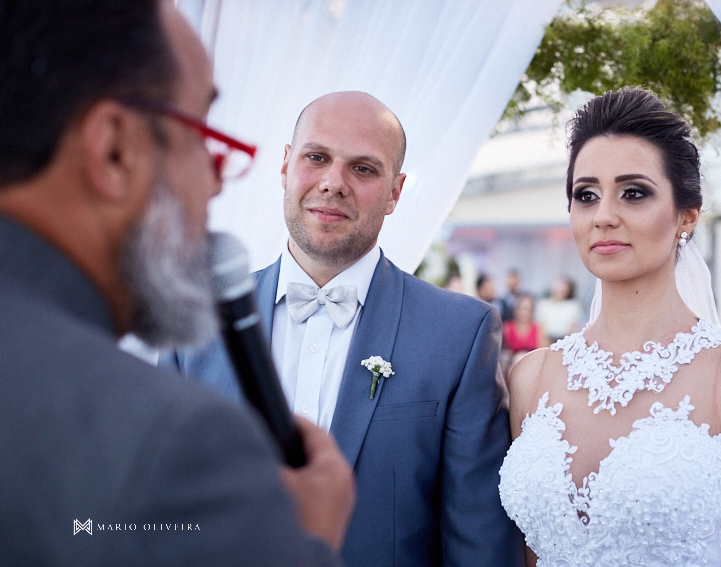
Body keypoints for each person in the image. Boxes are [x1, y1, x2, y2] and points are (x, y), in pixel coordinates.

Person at [0, 1, 355, 565]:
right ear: (115, 149)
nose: (215, 186)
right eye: (201, 136)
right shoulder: (173, 445)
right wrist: (303, 542)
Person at [162, 92, 524, 566]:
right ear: (287, 166)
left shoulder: (460, 334)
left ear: (395, 192)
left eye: (363, 169)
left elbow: (479, 546)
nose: (333, 183)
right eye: (317, 158)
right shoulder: (192, 316)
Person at [499, 88, 721, 566]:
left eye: (633, 193)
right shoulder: (531, 377)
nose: (604, 216)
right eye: (585, 195)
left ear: (686, 217)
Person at [536, 276, 583, 342]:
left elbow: (573, 327)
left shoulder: (573, 306)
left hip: (565, 340)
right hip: (547, 339)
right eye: (558, 287)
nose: (560, 291)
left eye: (563, 289)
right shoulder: (543, 304)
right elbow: (540, 326)